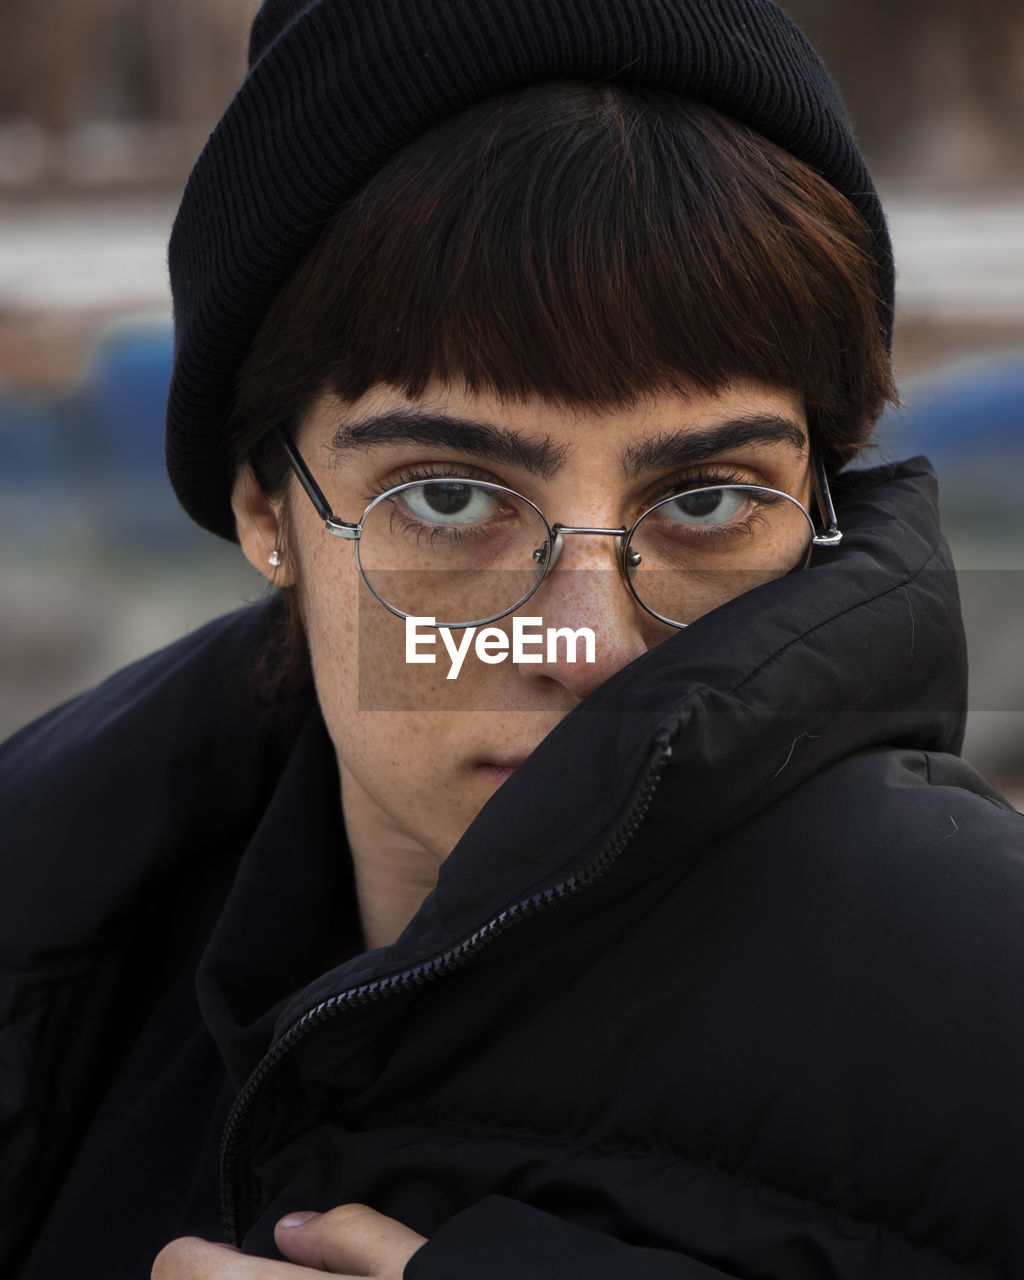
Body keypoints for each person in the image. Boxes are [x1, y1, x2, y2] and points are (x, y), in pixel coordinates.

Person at [2, 0, 1023, 1277]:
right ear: (268, 508)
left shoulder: (988, 1014)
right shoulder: (50, 930)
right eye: (448, 496)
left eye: (705, 499)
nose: (589, 643)